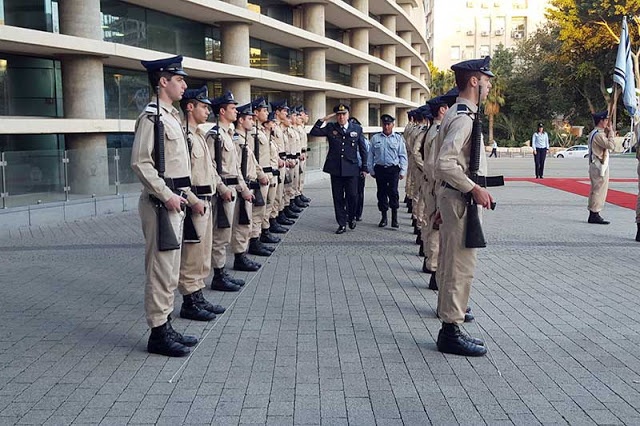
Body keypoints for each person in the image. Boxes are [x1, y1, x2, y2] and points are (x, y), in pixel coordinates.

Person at [131, 55, 199, 357]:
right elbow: (140, 162)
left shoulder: (171, 117)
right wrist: (165, 194)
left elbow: (176, 168)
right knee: (160, 270)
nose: (184, 84)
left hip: (175, 202)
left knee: (170, 270)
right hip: (160, 204)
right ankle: (157, 333)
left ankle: (166, 324)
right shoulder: (152, 118)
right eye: (179, 79)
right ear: (163, 81)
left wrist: (188, 197)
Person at [434, 56, 496, 357]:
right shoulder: (462, 117)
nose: (489, 85)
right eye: (486, 79)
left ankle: (451, 324)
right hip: (461, 200)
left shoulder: (462, 113)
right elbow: (444, 163)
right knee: (459, 267)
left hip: (454, 199)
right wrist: (474, 188)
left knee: (451, 264)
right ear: (474, 81)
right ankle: (450, 330)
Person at [177, 86, 226, 323]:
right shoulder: (184, 136)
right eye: (203, 106)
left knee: (203, 253)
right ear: (190, 106)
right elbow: (181, 175)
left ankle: (198, 295)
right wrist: (193, 201)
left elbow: (211, 169)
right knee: (192, 255)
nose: (208, 110)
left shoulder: (198, 135)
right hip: (193, 202)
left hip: (206, 201)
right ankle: (189, 301)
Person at [206, 91, 252, 291]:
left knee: (226, 234)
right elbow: (211, 167)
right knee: (220, 235)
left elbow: (236, 168)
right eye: (232, 108)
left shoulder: (227, 134)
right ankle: (218, 275)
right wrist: (222, 188)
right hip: (222, 191)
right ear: (222, 111)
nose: (236, 111)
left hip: (232, 189)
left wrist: (242, 188)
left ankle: (222, 271)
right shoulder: (214, 136)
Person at [310, 103, 368, 234]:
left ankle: (352, 216)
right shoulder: (331, 127)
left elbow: (363, 149)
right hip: (335, 169)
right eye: (338, 115)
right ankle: (341, 223)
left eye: (344, 114)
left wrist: (364, 167)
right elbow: (314, 132)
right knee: (338, 197)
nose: (341, 117)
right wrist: (323, 120)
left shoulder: (357, 128)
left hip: (352, 168)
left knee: (353, 196)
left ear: (348, 115)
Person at [420, 89, 457, 289]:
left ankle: (433, 266)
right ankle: (434, 270)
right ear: (443, 110)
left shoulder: (434, 131)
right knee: (435, 228)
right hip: (435, 186)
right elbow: (436, 164)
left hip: (432, 184)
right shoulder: (436, 132)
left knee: (432, 225)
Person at [368, 114, 408, 228]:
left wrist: (403, 171)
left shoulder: (398, 138)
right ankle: (384, 217)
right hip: (380, 169)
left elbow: (403, 156)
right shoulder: (375, 138)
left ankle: (394, 219)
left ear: (393, 125)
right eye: (384, 124)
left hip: (393, 169)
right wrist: (371, 170)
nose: (386, 127)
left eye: (388, 124)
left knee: (393, 193)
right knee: (381, 193)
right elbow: (370, 156)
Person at [587, 111, 615, 225]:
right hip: (599, 164)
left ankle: (594, 212)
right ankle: (595, 212)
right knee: (599, 190)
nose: (607, 122)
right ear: (601, 121)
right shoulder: (598, 134)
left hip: (596, 164)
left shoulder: (595, 133)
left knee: (596, 189)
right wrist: (611, 134)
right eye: (606, 120)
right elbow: (611, 146)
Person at [349, 117, 368, 221]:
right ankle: (349, 212)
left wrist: (365, 168)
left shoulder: (364, 141)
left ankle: (358, 213)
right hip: (349, 169)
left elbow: (366, 154)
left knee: (359, 192)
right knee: (350, 193)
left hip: (359, 168)